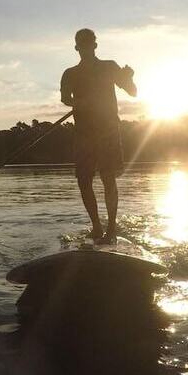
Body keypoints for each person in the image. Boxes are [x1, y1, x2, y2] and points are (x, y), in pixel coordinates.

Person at [60, 28, 137, 244]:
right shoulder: (70, 74)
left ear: (95, 45)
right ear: (77, 48)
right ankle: (96, 227)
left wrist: (129, 77)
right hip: (83, 134)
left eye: (89, 43)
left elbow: (133, 92)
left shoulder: (109, 67)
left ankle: (111, 231)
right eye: (82, 44)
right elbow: (65, 98)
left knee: (107, 177)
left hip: (108, 131)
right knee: (84, 180)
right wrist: (78, 102)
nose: (86, 47)